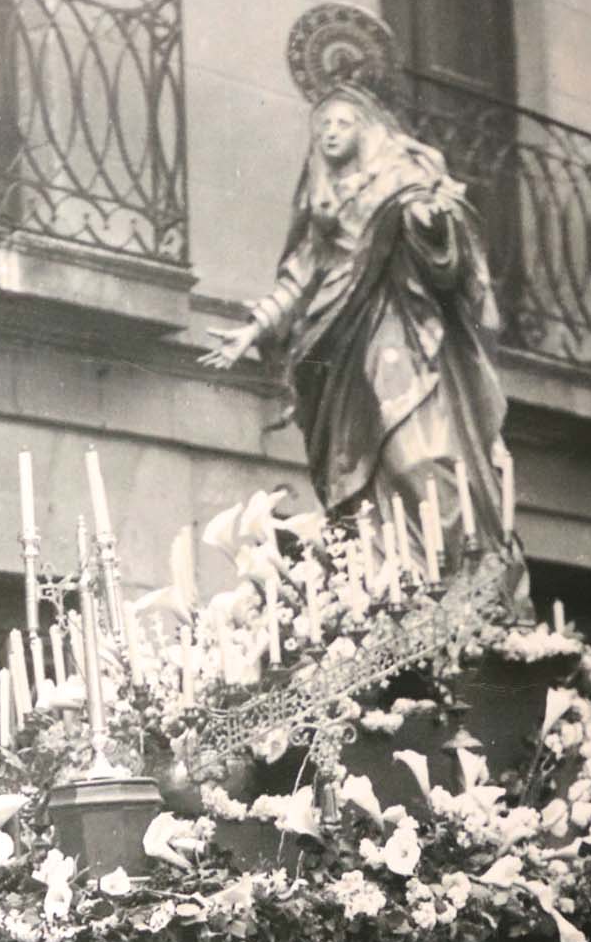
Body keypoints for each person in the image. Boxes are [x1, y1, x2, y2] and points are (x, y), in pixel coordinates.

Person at [199, 84, 524, 595]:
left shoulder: (402, 177)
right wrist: (254, 328)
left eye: (342, 123)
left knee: (420, 451)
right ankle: (390, 584)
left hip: (398, 321)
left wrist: (431, 225)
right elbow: (301, 274)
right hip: (336, 344)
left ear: (367, 128)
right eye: (322, 125)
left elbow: (448, 246)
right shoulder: (323, 199)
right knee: (361, 479)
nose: (330, 133)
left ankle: (450, 576)